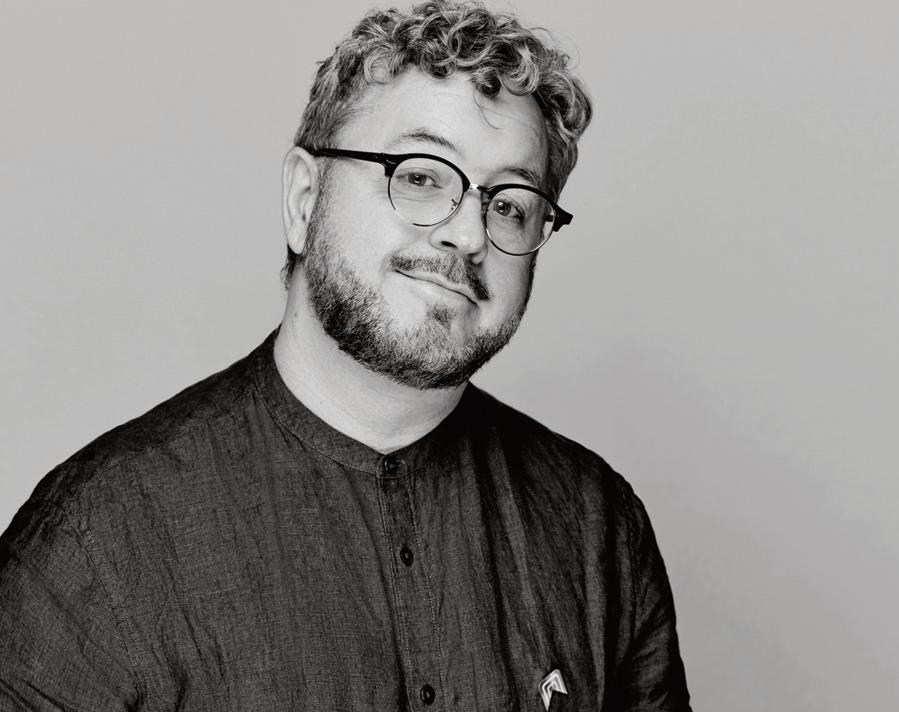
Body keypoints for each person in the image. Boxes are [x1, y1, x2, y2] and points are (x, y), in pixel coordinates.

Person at [0, 2, 691, 710]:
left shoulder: (595, 525)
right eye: (420, 174)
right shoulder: (97, 542)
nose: (468, 235)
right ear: (305, 200)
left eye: (510, 204)